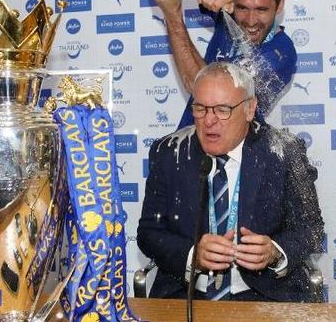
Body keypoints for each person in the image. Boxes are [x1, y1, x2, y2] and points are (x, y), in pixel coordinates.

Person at [137, 62, 323, 301]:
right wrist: (192, 255)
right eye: (200, 108)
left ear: (249, 109)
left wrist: (274, 252)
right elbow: (149, 232)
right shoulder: (169, 153)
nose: (209, 121)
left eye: (223, 110)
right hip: (187, 296)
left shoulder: (285, 152)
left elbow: (311, 229)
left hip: (264, 295)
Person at [147, 0, 297, 128]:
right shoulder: (230, 12)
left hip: (231, 152)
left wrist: (172, 15)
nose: (251, 20)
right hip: (191, 144)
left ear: (279, 6)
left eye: (261, 10)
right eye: (242, 8)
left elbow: (204, 91)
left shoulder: (281, 53)